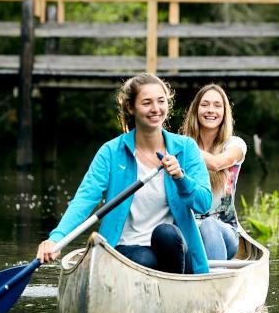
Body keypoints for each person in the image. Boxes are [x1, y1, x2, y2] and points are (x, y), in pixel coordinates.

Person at [36, 73, 212, 274]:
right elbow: (85, 199)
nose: (155, 109)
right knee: (144, 259)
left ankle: (174, 292)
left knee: (167, 234)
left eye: (161, 101)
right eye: (147, 103)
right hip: (128, 251)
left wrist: (181, 178)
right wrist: (55, 238)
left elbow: (203, 203)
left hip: (176, 252)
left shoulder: (186, 148)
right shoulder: (111, 152)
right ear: (131, 107)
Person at [180, 84, 247, 261]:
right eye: (205, 104)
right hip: (190, 231)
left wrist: (183, 148)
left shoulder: (235, 145)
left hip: (226, 232)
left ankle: (214, 280)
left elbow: (217, 164)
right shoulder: (180, 146)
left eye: (217, 105)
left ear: (225, 112)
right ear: (196, 110)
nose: (211, 110)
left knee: (209, 224)